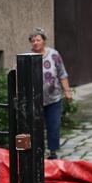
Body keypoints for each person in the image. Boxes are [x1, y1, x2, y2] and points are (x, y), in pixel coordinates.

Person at [29, 27, 73, 160]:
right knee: (36, 127)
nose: (35, 43)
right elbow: (19, 75)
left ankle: (52, 152)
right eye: (33, 41)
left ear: (44, 41)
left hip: (53, 98)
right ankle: (37, 151)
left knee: (53, 125)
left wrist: (67, 91)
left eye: (38, 40)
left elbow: (62, 74)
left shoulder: (53, 55)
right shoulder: (28, 57)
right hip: (34, 100)